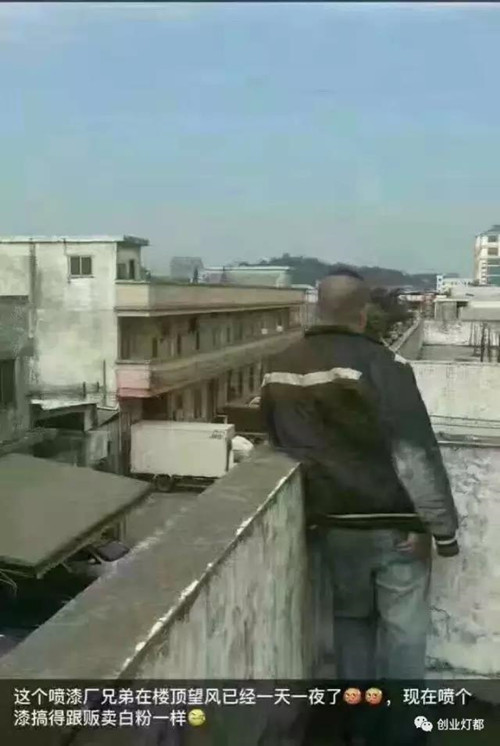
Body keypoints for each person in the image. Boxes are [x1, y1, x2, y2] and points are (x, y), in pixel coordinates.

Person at [260, 268, 459, 686]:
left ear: (317, 309)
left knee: (351, 621)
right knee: (404, 628)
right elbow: (413, 451)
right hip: (394, 526)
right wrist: (442, 531)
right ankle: (401, 719)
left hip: (333, 523)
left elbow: (278, 439)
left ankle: (358, 716)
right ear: (363, 313)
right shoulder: (383, 363)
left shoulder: (279, 367)